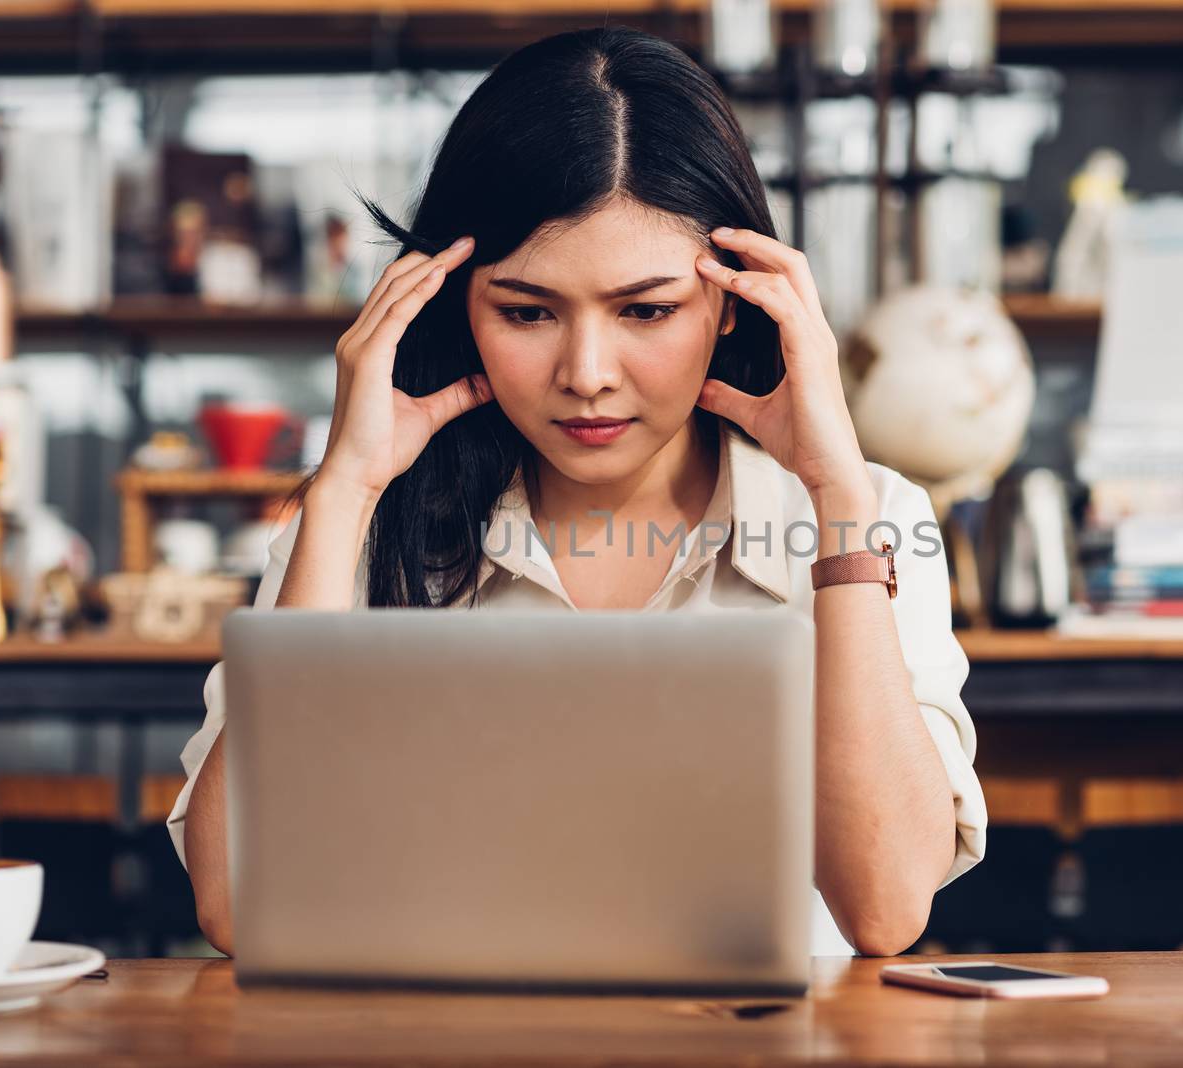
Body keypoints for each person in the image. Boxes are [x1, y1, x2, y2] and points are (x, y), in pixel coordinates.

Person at [169, 25, 987, 959]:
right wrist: (348, 490)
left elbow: (884, 914)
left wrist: (838, 492)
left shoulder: (864, 516)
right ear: (452, 305)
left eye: (646, 310)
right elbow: (237, 906)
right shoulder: (359, 518)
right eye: (526, 312)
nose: (587, 373)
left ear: (733, 302)